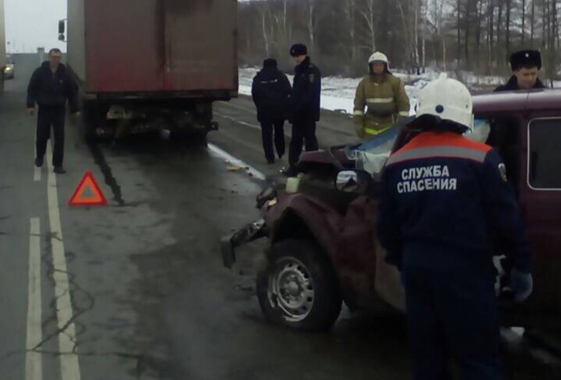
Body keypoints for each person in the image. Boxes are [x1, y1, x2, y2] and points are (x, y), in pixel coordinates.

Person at [377, 74, 533, 380]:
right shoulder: (481, 158)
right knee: (478, 360)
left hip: (418, 274)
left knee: (427, 360)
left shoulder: (396, 162)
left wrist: (404, 262)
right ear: (464, 114)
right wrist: (520, 266)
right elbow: (508, 221)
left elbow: (386, 227)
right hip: (467, 275)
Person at [27, 48, 79, 174]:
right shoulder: (40, 72)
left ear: (60, 59)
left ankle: (58, 165)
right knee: (42, 135)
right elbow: (32, 88)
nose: (55, 60)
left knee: (59, 138)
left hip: (59, 110)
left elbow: (72, 92)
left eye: (58, 57)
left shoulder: (65, 74)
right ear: (49, 58)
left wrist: (75, 109)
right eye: (53, 57)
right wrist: (30, 105)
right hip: (44, 109)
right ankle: (40, 156)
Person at [283, 43, 321, 176]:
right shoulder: (299, 70)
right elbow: (296, 92)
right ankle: (293, 166)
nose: (296, 59)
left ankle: (314, 167)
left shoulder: (311, 71)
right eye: (295, 56)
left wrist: (299, 106)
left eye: (298, 56)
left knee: (310, 141)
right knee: (295, 141)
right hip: (298, 113)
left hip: (308, 113)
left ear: (304, 54)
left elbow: (310, 93)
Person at [353, 52, 410, 140]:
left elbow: (403, 103)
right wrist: (358, 124)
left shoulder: (395, 82)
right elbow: (358, 106)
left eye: (380, 65)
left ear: (385, 66)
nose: (378, 67)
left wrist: (401, 124)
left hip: (390, 126)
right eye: (375, 65)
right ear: (371, 67)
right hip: (369, 127)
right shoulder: (364, 83)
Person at [251, 58, 292, 164]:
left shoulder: (258, 78)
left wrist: (259, 105)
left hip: (264, 110)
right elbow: (288, 90)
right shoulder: (281, 76)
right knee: (279, 131)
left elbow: (255, 93)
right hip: (279, 110)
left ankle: (269, 156)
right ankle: (280, 151)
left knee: (266, 134)